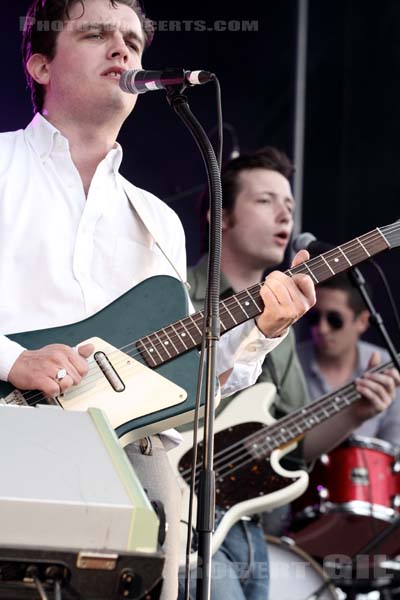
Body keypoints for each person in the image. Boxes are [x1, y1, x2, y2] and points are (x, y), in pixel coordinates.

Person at [0, 3, 318, 600]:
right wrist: (11, 362)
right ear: (40, 64)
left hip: (131, 475)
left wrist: (262, 331)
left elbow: (184, 389)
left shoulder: (157, 220)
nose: (121, 50)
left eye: (133, 42)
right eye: (95, 34)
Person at [178, 147, 400, 600]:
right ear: (220, 217)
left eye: (290, 206)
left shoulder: (286, 316)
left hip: (249, 527)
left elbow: (294, 446)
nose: (284, 214)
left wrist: (355, 411)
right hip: (181, 519)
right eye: (265, 201)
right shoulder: (178, 296)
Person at [297, 273, 400, 445]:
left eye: (334, 320)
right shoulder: (289, 363)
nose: (321, 329)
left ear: (362, 321)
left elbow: (395, 448)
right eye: (314, 317)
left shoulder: (388, 367)